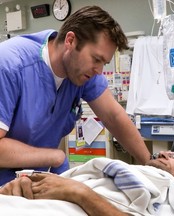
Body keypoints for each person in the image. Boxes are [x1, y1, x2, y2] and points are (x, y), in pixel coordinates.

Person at [0, 5, 151, 185]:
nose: (99, 71)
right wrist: (53, 156)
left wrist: (150, 165)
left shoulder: (82, 73)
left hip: (32, 183)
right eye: (96, 59)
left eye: (104, 62)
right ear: (70, 41)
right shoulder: (10, 65)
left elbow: (114, 116)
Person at [0, 151, 174, 216]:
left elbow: (75, 190)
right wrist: (23, 186)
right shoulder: (134, 173)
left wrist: (81, 193)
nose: (164, 153)